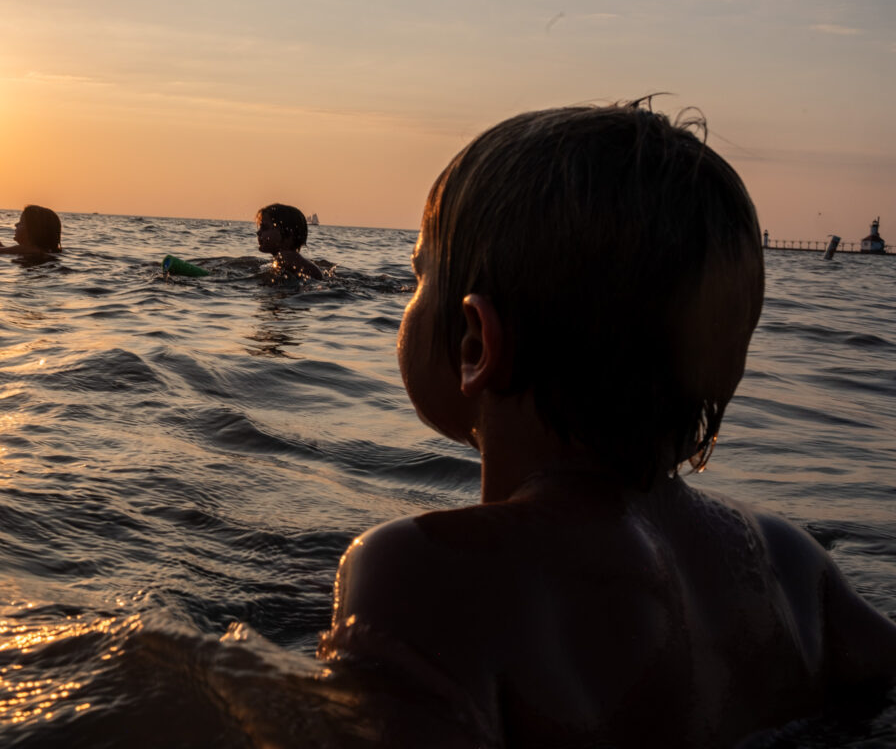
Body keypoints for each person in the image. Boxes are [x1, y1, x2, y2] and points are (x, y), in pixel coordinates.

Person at [318, 104, 896, 747]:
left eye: (416, 276)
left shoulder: (420, 569)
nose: (410, 296)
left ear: (476, 345)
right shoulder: (795, 565)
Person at [255, 203, 324, 280]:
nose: (258, 232)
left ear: (289, 235)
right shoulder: (284, 259)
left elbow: (317, 276)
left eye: (265, 228)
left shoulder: (290, 258)